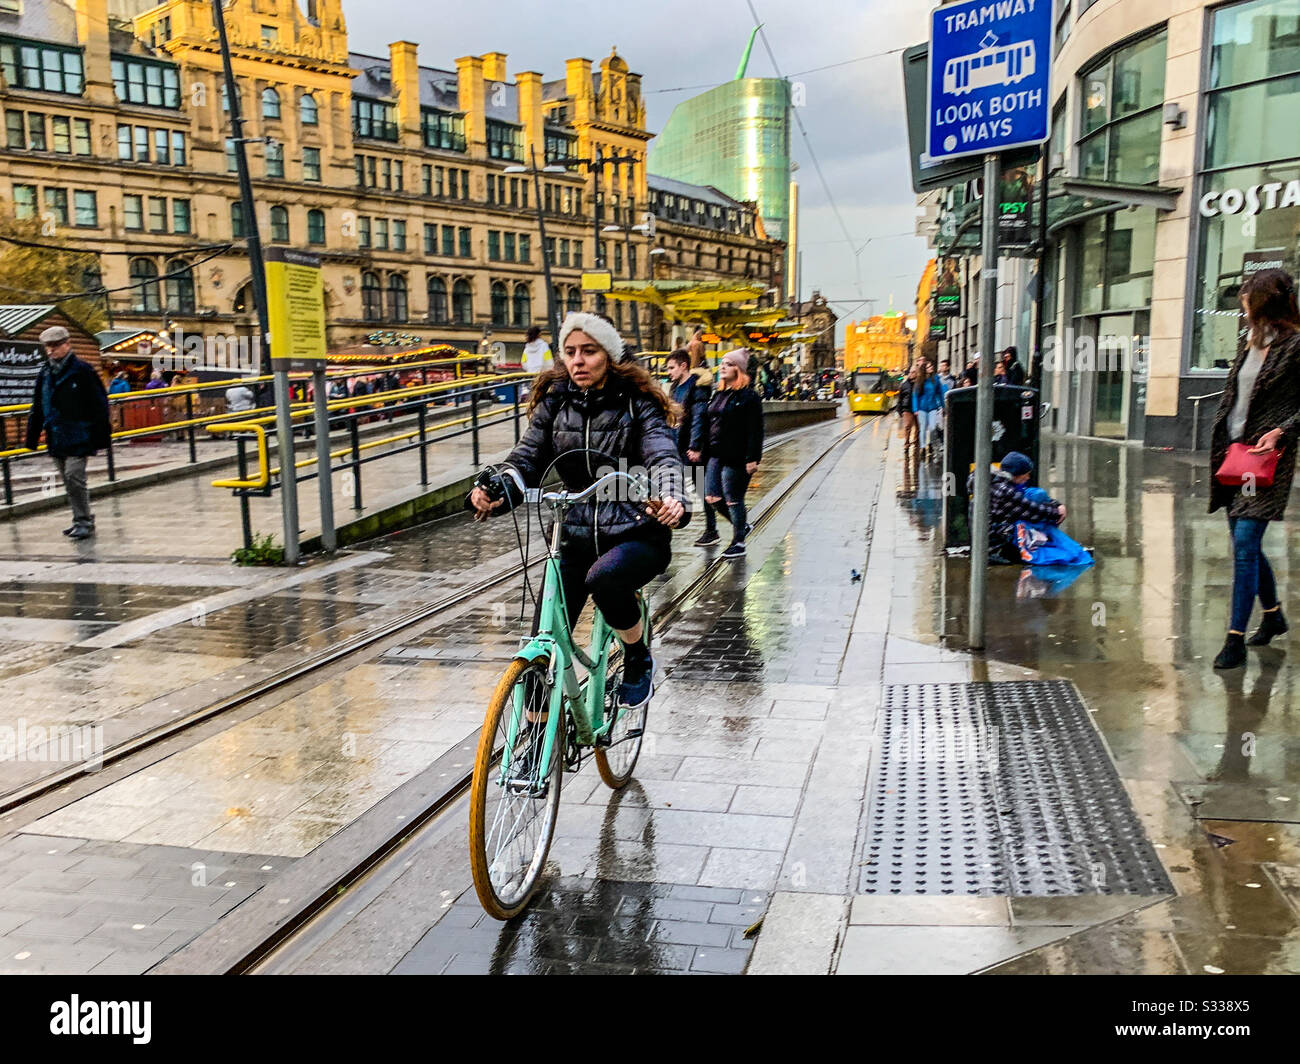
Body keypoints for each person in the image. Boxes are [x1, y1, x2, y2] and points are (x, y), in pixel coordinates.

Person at [468, 311, 687, 707]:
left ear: (610, 355)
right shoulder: (555, 401)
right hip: (576, 533)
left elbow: (663, 455)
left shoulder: (638, 403)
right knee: (544, 638)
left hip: (636, 530)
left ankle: (637, 656)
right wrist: (498, 490)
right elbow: (526, 460)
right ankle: (531, 751)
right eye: (570, 352)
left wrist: (672, 495)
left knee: (605, 579)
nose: (577, 361)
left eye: (588, 351)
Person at [1208, 268, 1300, 670]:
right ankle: (1274, 615)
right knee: (1245, 543)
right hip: (1233, 455)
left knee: (1245, 544)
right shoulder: (1249, 342)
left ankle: (1234, 639)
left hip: (1267, 459)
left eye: (1247, 301)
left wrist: (1282, 431)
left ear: (1266, 304)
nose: (1243, 308)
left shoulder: (1296, 345)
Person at [24, 326, 111, 541]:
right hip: (56, 434)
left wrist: (99, 436)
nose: (51, 351)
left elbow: (99, 404)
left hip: (79, 435)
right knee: (68, 480)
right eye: (48, 347)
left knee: (74, 477)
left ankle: (83, 521)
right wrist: (32, 436)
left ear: (67, 344)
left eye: (55, 346)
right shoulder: (45, 373)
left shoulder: (83, 370)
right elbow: (38, 405)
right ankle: (81, 518)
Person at [703, 349, 763, 559]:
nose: (723, 367)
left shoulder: (749, 397)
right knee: (711, 497)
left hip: (736, 456)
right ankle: (742, 526)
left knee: (733, 499)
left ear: (739, 369)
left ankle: (738, 542)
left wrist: (753, 457)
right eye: (723, 363)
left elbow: (756, 429)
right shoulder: (719, 394)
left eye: (729, 364)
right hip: (715, 454)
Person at [967, 451, 1066, 564]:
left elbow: (1022, 498)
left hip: (981, 542)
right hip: (992, 547)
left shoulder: (992, 482)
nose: (1028, 477)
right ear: (1016, 473)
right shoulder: (1003, 491)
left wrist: (1056, 504)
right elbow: (1031, 510)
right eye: (1026, 474)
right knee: (1032, 521)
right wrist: (1057, 512)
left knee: (1035, 494)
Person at [666, 348, 718, 547]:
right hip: (676, 445)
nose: (668, 372)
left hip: (690, 447)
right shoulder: (674, 387)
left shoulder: (696, 387)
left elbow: (698, 418)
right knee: (672, 487)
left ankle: (713, 529)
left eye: (671, 368)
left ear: (683, 366)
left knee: (701, 489)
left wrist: (695, 446)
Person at [913, 359, 948, 459]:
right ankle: (923, 447)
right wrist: (916, 409)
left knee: (933, 428)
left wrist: (943, 406)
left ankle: (931, 444)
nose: (931, 368)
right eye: (929, 367)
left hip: (933, 407)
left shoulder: (936, 379)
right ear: (924, 369)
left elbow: (940, 393)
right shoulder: (920, 380)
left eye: (931, 366)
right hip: (922, 408)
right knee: (923, 428)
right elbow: (915, 395)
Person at [896, 363, 917, 444]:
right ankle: (906, 444)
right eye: (910, 372)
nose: (911, 374)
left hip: (917, 408)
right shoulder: (904, 385)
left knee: (918, 429)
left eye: (913, 372)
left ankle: (915, 444)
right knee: (907, 426)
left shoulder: (920, 383)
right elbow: (900, 398)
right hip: (907, 408)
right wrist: (899, 410)